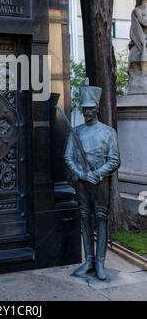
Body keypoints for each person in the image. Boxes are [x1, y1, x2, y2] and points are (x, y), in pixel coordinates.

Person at [64, 85, 120, 280]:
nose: (86, 111)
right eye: (84, 108)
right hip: (82, 184)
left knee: (101, 220)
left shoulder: (108, 132)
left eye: (90, 108)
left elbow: (114, 160)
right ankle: (88, 260)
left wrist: (98, 174)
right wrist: (81, 174)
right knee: (85, 219)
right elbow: (68, 158)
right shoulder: (76, 132)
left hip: (100, 185)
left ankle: (100, 262)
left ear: (97, 108)